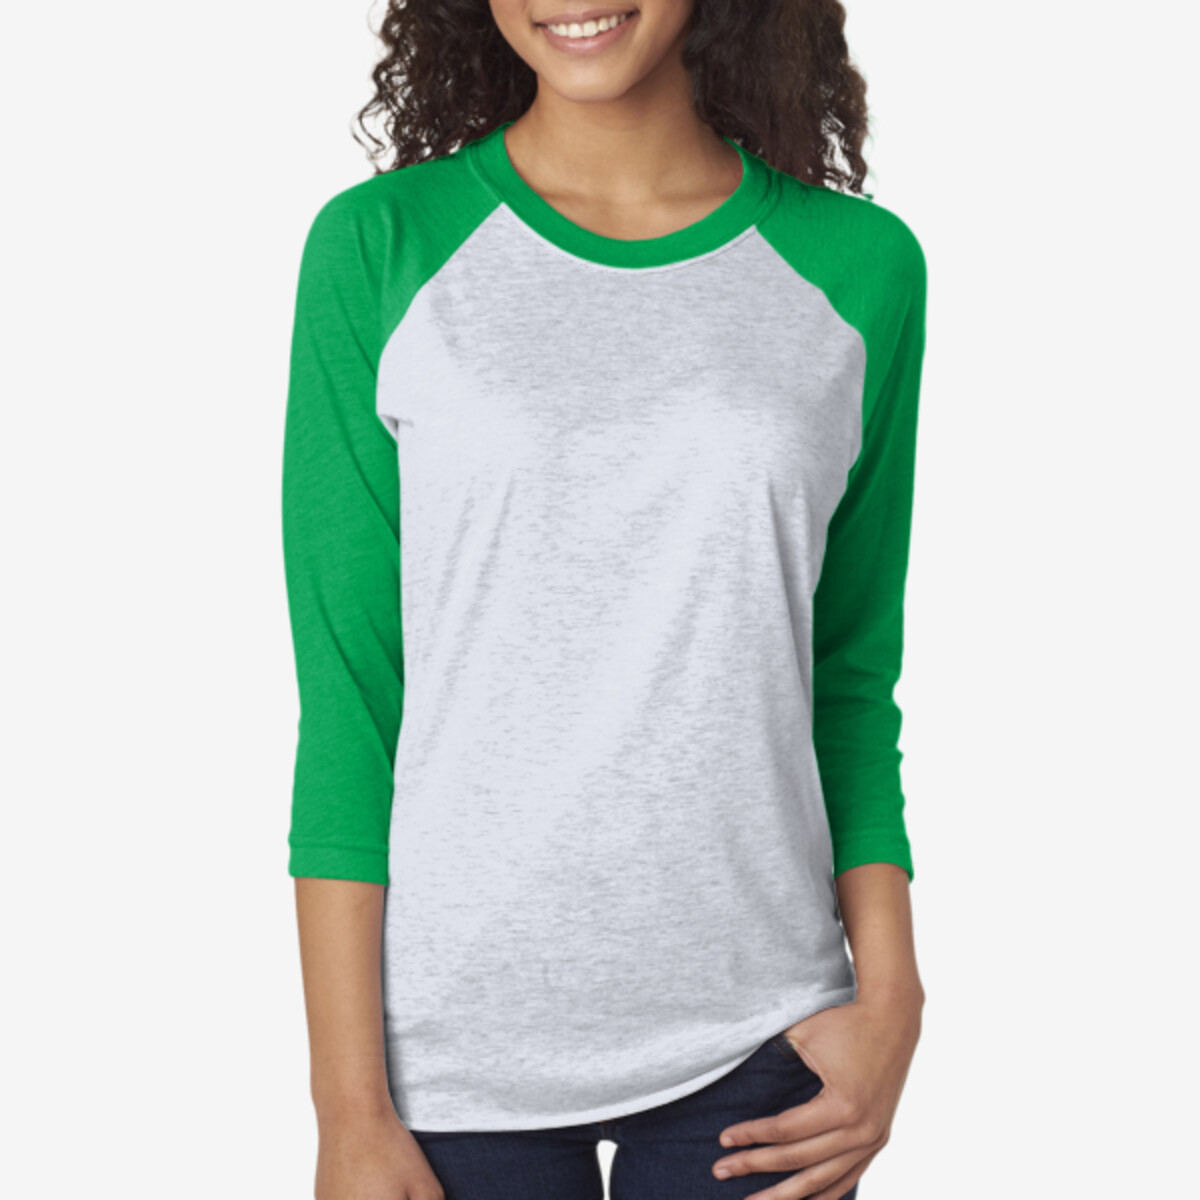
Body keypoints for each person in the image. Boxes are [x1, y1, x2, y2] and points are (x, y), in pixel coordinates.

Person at [281, 1, 928, 1197]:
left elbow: (846, 667)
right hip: (446, 1056)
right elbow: (350, 697)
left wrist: (892, 996)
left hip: (765, 1036)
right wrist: (346, 1105)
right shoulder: (381, 247)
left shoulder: (861, 266)